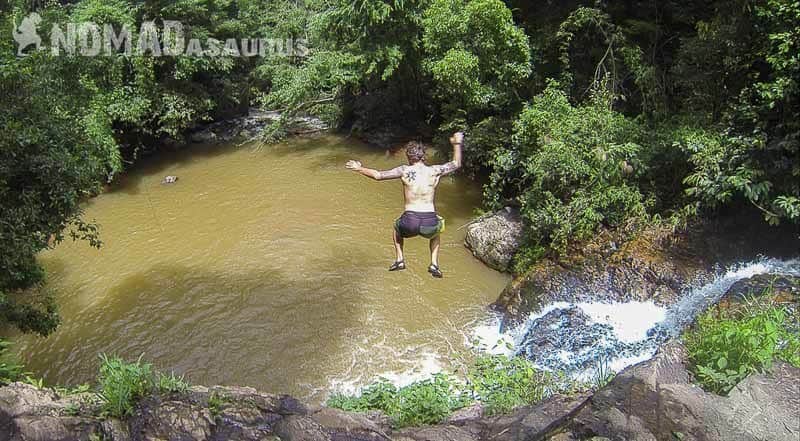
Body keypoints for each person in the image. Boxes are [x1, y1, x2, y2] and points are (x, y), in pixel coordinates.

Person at [345, 132, 463, 278]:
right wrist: (457, 143)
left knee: (396, 227)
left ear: (409, 157)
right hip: (429, 221)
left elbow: (378, 175)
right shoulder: (435, 171)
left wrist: (359, 168)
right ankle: (434, 263)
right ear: (423, 156)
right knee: (436, 232)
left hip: (409, 221)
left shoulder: (403, 170)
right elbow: (456, 164)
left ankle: (400, 259)